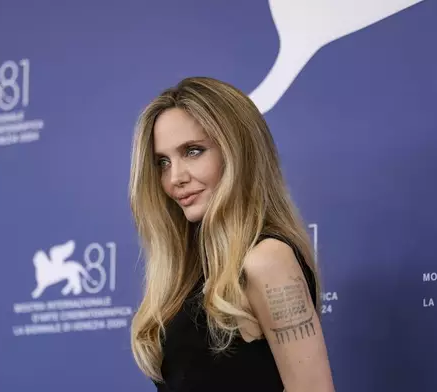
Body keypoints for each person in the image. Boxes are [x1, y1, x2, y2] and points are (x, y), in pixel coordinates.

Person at [128, 77, 335, 391]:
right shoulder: (185, 276)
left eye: (193, 151)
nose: (175, 178)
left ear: (238, 151)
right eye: (163, 162)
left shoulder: (267, 260)